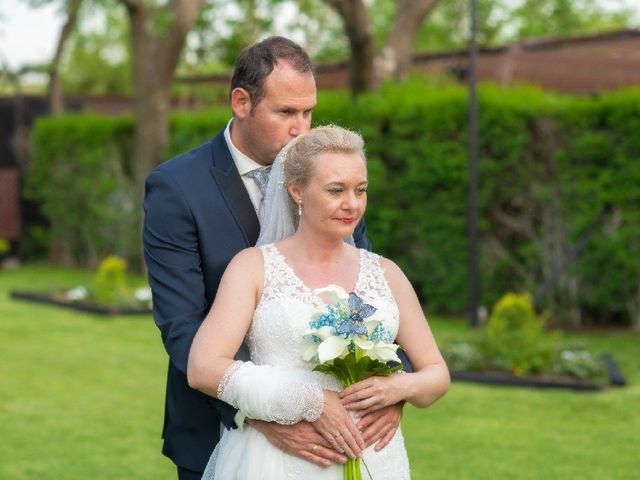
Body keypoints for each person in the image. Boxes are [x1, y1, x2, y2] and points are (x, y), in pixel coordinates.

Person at [143, 37, 403, 480]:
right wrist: (261, 415)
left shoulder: (330, 181)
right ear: (241, 102)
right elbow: (182, 325)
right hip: (220, 432)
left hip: (342, 436)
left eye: (308, 112)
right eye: (286, 113)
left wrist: (390, 389)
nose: (302, 128)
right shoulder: (176, 188)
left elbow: (367, 296)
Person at [187, 125, 450, 479]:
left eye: (361, 190)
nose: (352, 204)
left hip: (375, 457)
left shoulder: (386, 273)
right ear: (297, 191)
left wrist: (399, 387)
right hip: (281, 460)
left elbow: (437, 372)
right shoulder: (254, 267)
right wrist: (308, 401)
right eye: (335, 190)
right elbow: (203, 368)